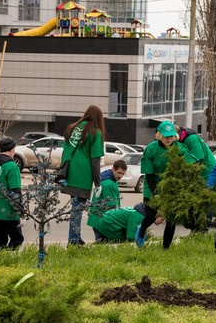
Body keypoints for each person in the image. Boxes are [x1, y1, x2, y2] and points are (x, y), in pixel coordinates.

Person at [60, 104, 106, 246]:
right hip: (82, 174)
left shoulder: (72, 128)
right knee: (78, 208)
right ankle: (73, 240)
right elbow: (95, 160)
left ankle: (76, 236)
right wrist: (98, 183)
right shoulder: (94, 132)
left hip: (69, 172)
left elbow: (65, 152)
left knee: (76, 206)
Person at [135, 120, 184, 248]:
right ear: (160, 135)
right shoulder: (151, 149)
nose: (168, 139)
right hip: (152, 187)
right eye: (166, 136)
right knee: (151, 216)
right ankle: (141, 230)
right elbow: (149, 175)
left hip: (170, 188)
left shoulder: (179, 149)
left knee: (171, 220)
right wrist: (156, 193)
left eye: (171, 136)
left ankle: (166, 248)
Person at [0, 137, 24, 250]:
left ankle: (0, 259)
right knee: (17, 239)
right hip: (8, 211)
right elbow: (15, 190)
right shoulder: (11, 166)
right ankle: (8, 259)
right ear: (12, 149)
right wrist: (19, 210)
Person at [88, 160, 125, 242]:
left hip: (98, 219)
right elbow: (111, 207)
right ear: (113, 169)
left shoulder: (109, 179)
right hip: (102, 221)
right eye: (118, 172)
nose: (120, 176)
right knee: (103, 245)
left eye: (122, 173)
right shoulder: (108, 183)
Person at [97, 202, 163, 243]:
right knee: (120, 241)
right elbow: (131, 236)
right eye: (162, 219)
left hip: (105, 219)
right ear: (156, 215)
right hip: (107, 223)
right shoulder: (139, 217)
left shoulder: (141, 213)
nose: (162, 221)